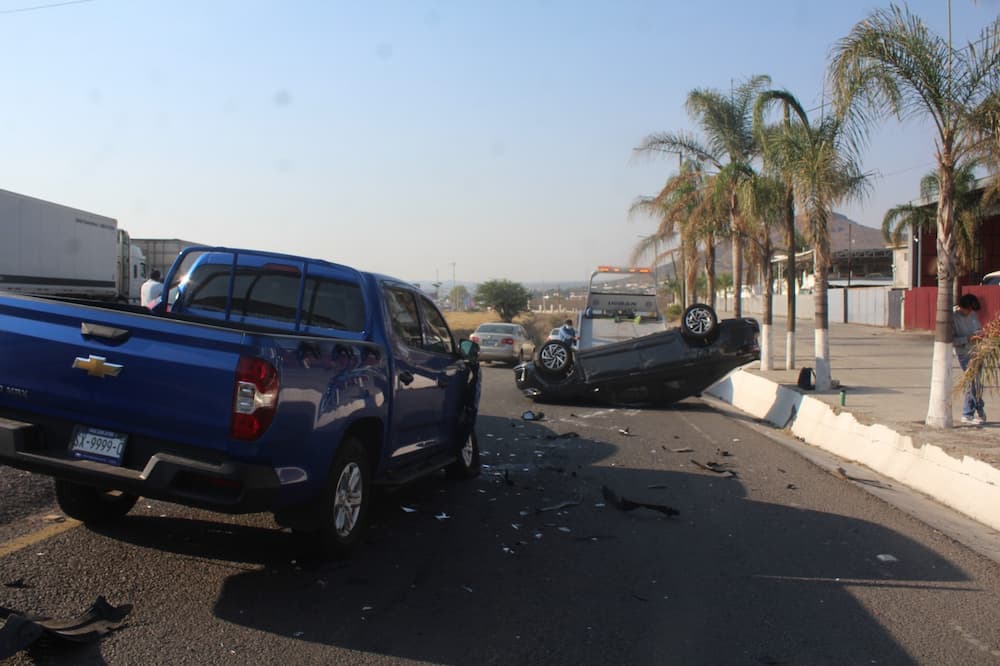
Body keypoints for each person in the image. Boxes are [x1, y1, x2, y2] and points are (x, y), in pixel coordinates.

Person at [953, 293, 986, 425]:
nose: (971, 312)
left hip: (977, 351)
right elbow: (951, 339)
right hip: (964, 353)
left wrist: (980, 334)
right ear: (962, 306)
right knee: (971, 382)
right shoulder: (953, 318)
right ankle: (968, 414)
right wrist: (968, 339)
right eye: (969, 309)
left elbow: (978, 328)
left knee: (978, 383)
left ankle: (979, 408)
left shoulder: (972, 315)